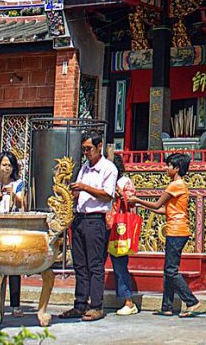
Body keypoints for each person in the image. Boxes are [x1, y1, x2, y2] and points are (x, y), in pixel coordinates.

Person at [129, 152, 200, 317]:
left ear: (177, 168)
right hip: (176, 229)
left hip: (177, 230)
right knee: (168, 270)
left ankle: (191, 301)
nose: (166, 168)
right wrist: (143, 206)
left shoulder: (175, 185)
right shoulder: (180, 185)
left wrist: (137, 200)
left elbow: (157, 204)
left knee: (171, 271)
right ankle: (167, 306)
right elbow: (164, 210)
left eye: (169, 166)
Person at [59, 134, 116, 322]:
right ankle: (80, 303)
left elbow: (107, 195)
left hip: (95, 219)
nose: (86, 153)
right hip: (80, 218)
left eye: (89, 149)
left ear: (99, 147)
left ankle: (96, 305)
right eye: (83, 149)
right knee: (80, 264)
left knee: (95, 264)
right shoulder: (84, 167)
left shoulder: (108, 168)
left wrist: (84, 187)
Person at [0, 151, 26, 317]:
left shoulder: (18, 184)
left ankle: (15, 303)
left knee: (14, 266)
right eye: (4, 165)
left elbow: (23, 204)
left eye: (9, 165)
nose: (6, 168)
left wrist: (13, 194)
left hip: (11, 224)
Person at [109, 152, 138, 315]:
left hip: (119, 226)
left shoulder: (124, 182)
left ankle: (128, 301)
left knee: (120, 263)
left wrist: (120, 193)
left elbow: (131, 202)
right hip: (104, 223)